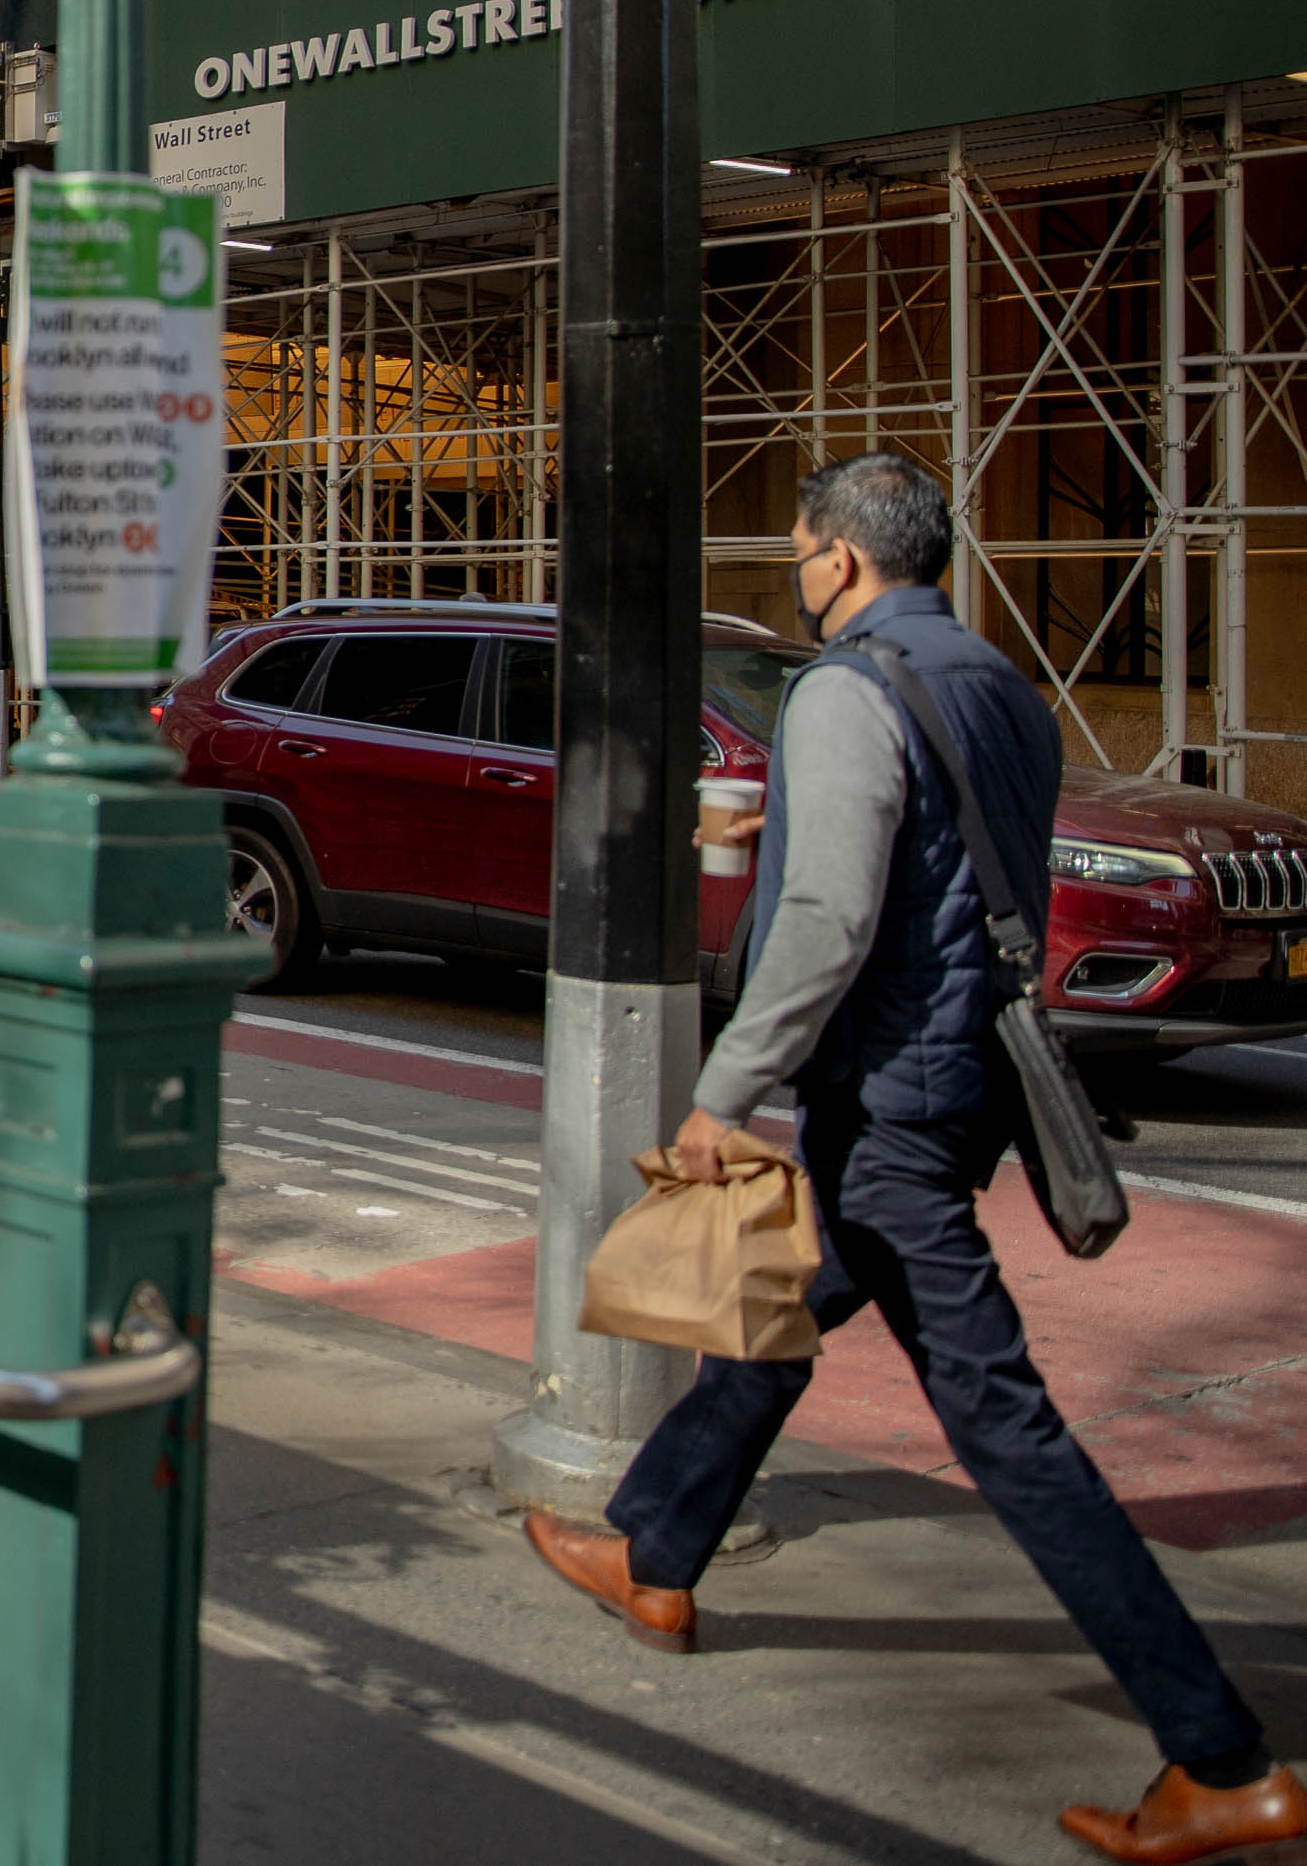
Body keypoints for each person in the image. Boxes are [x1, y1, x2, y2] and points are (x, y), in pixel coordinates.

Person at [521, 453, 1297, 1863]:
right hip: (961, 1076)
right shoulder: (1001, 685)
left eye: (806, 549)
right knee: (782, 1314)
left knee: (1006, 1423)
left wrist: (727, 1088)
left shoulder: (845, 689)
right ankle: (655, 1552)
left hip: (885, 1093)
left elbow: (827, 912)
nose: (803, 570)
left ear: (838, 558)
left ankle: (1219, 1751)